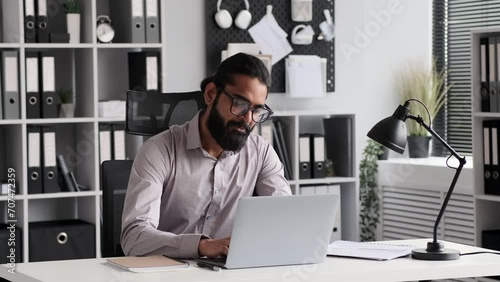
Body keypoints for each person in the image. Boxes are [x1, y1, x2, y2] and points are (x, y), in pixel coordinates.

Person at [120, 53, 291, 259]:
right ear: (211, 94)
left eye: (256, 110)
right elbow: (134, 238)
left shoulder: (261, 153)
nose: (247, 119)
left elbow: (284, 221)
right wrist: (201, 246)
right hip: (168, 273)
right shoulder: (159, 151)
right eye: (240, 104)